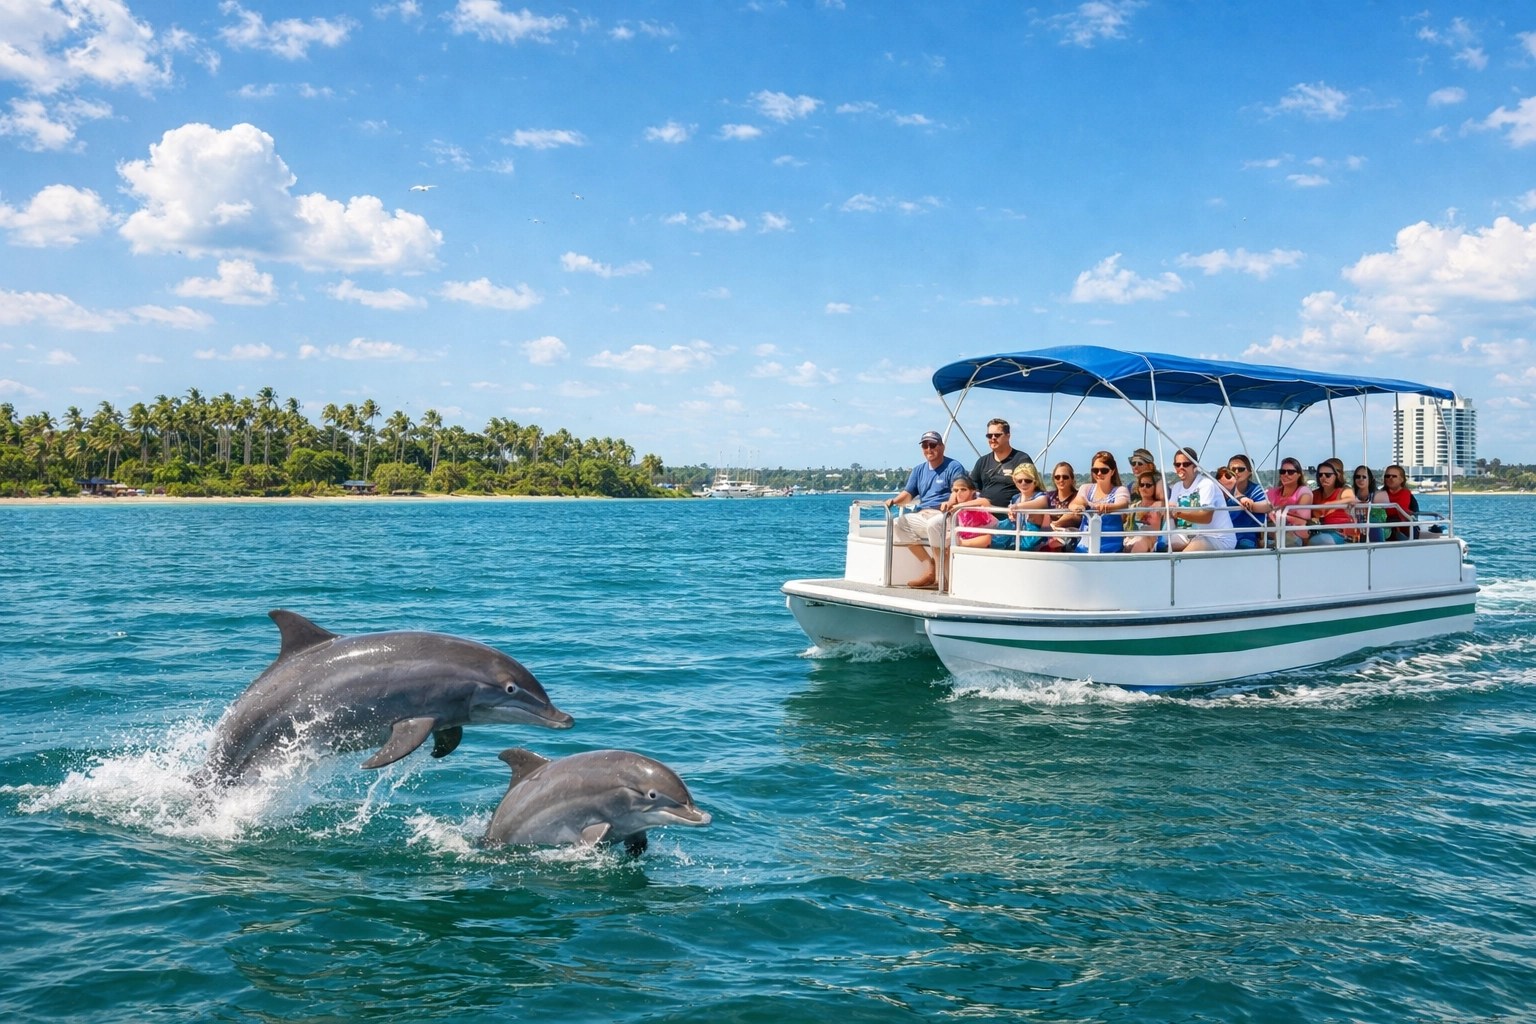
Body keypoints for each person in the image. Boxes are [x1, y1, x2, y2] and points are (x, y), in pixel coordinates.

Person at [884, 430, 965, 588]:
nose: (929, 449)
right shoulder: (918, 470)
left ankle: (941, 579)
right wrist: (893, 501)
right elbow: (908, 494)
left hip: (944, 515)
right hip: (923, 514)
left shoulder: (954, 467)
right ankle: (930, 568)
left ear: (942, 447)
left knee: (933, 524)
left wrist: (949, 504)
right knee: (896, 523)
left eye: (933, 445)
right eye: (925, 446)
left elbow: (958, 491)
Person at [1166, 446, 1235, 552]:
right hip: (1192, 535)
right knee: (1168, 546)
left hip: (1219, 538)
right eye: (1177, 464)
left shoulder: (1206, 484)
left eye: (1186, 464)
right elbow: (1171, 513)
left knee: (1188, 552)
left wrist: (1178, 513)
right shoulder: (1177, 487)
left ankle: (1181, 567)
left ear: (1195, 466)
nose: (1181, 467)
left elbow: (1206, 517)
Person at [965, 418, 1035, 515]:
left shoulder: (1021, 459)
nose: (993, 438)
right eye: (989, 436)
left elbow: (1032, 488)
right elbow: (971, 488)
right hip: (984, 515)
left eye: (997, 435)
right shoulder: (982, 462)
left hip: (1010, 515)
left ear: (1008, 436)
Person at [1069, 450, 1131, 553]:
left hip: (1111, 548)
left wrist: (1105, 507)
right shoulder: (1086, 488)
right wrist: (1076, 507)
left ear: (1112, 471)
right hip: (1084, 547)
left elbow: (1122, 503)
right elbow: (1075, 503)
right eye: (1095, 470)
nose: (1099, 473)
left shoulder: (1120, 490)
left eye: (1104, 470)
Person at [998, 463, 1051, 549]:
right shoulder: (1015, 498)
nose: (1023, 483)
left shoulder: (1041, 496)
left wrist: (1017, 507)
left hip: (1036, 541)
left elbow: (1041, 502)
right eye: (1019, 481)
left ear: (1035, 481)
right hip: (1017, 538)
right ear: (1015, 482)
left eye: (1028, 480)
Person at [1307, 457, 1358, 545]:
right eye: (1320, 475)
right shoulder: (1315, 494)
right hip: (1321, 531)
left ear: (1337, 475)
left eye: (1328, 475)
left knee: (1317, 540)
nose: (1323, 477)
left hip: (1342, 535)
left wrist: (1330, 504)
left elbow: (1351, 499)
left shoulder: (1344, 490)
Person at [1226, 454, 1272, 549]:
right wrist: (1241, 499)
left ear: (1250, 472)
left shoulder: (1254, 489)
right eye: (1232, 469)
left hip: (1245, 536)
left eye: (1241, 469)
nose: (1236, 472)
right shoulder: (1222, 490)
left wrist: (1251, 505)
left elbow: (1267, 505)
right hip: (1223, 535)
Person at [1267, 457, 1312, 547]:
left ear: (1299, 474)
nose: (1286, 474)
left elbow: (1302, 517)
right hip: (1273, 531)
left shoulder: (1304, 491)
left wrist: (1280, 511)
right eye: (1282, 472)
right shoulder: (1272, 492)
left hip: (1294, 533)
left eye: (1290, 472)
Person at [1042, 461, 1083, 551]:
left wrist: (1055, 524)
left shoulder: (1078, 496)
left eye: (1065, 477)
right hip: (1048, 535)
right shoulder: (1048, 496)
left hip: (1071, 538)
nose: (1061, 480)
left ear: (1072, 479)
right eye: (1057, 477)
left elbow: (1075, 516)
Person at [948, 477, 998, 549]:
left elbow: (985, 502)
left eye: (963, 489)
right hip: (967, 540)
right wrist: (951, 501)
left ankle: (960, 543)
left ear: (972, 492)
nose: (959, 493)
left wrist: (960, 505)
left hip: (993, 538)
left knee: (987, 538)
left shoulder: (977, 501)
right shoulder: (953, 508)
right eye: (956, 490)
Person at [1122, 470, 1165, 553]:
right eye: (1141, 485)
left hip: (1147, 543)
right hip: (1129, 541)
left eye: (1148, 485)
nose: (1144, 488)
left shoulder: (1159, 505)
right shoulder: (1133, 507)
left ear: (1155, 487)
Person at [1378, 464, 1419, 541]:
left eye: (1394, 476)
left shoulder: (1405, 493)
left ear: (1401, 479)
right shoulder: (1380, 494)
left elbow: (1399, 510)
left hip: (1402, 530)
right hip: (1385, 528)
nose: (1390, 478)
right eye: (1387, 476)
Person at [1352, 465, 1385, 542]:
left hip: (1373, 529)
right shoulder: (1350, 495)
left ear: (1369, 479)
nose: (1361, 479)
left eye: (1364, 477)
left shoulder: (1377, 496)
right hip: (1355, 529)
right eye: (1358, 477)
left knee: (1374, 523)